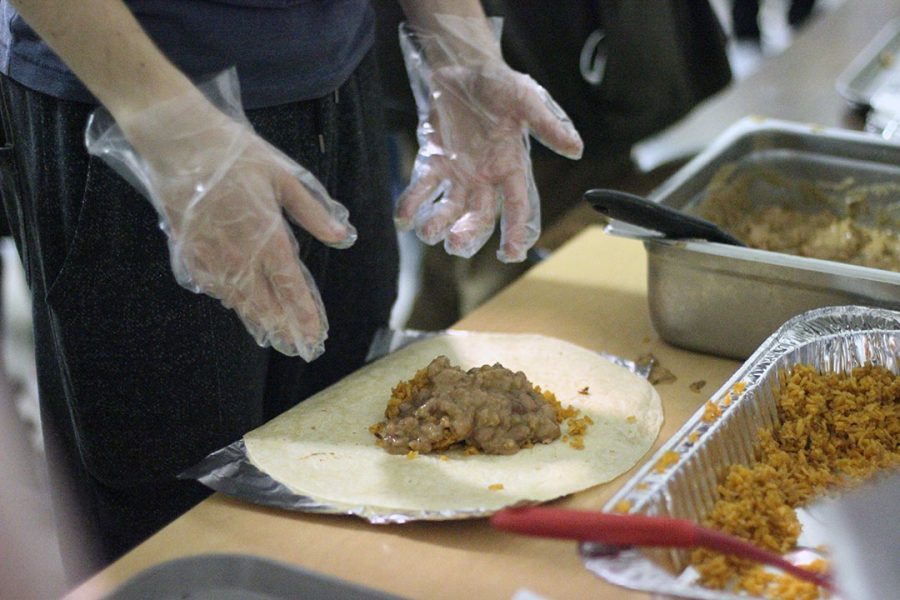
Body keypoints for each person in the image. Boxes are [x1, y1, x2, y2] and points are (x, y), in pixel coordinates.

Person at [0, 0, 582, 583]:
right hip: (134, 106)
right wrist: (166, 119)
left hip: (338, 81)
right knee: (180, 535)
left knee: (358, 485)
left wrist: (461, 46)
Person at [375, 0, 733, 329]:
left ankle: (412, 371)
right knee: (507, 284)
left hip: (560, 65)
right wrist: (466, 58)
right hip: (520, 61)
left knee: (451, 265)